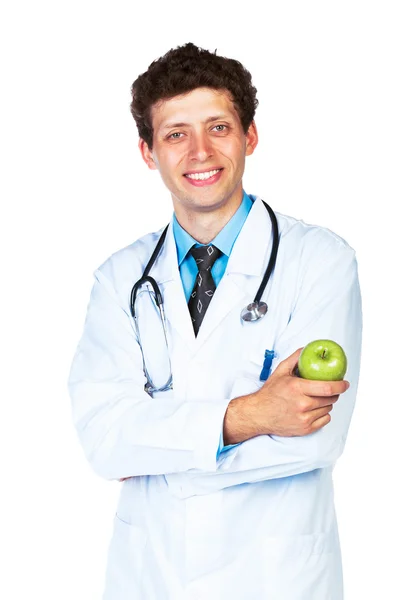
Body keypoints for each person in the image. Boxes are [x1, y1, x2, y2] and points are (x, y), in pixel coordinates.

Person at [68, 42, 362, 600]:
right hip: (150, 574)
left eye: (218, 127)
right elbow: (105, 442)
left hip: (276, 575)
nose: (199, 151)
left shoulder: (320, 261)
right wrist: (253, 414)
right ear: (148, 152)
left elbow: (314, 441)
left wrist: (157, 446)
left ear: (249, 137)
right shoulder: (118, 279)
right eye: (176, 133)